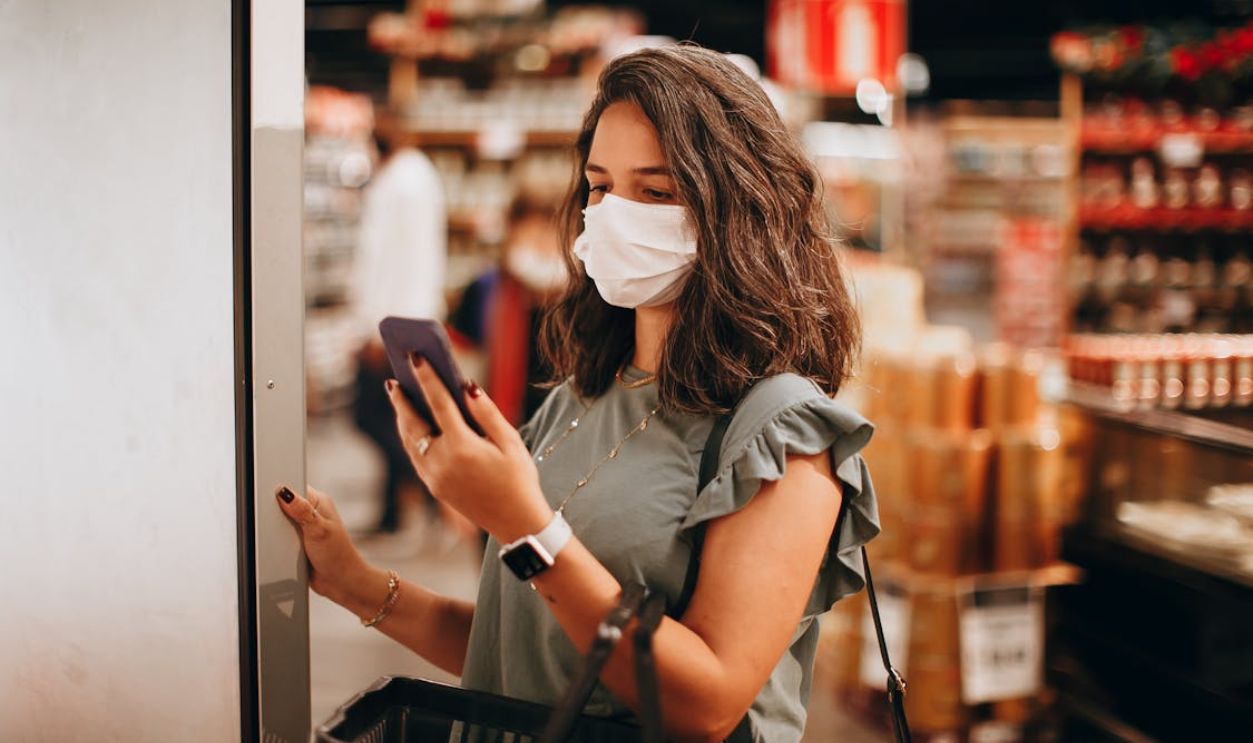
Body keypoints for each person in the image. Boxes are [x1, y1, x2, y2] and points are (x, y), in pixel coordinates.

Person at [279, 45, 878, 742]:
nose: (615, 213)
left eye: (655, 192)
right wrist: (355, 581)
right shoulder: (578, 398)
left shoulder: (783, 433)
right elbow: (527, 654)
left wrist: (524, 524)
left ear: (738, 209)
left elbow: (705, 705)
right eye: (599, 186)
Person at [348, 129, 446, 534]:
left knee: (372, 414)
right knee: (395, 413)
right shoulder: (416, 178)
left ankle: (434, 491)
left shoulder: (401, 184)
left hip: (394, 324)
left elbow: (390, 262)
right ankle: (393, 511)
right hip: (406, 319)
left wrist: (377, 328)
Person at [448, 194, 568, 425]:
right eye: (535, 235)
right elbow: (461, 370)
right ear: (512, 233)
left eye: (557, 235)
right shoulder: (485, 290)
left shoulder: (585, 303)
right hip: (498, 428)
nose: (546, 246)